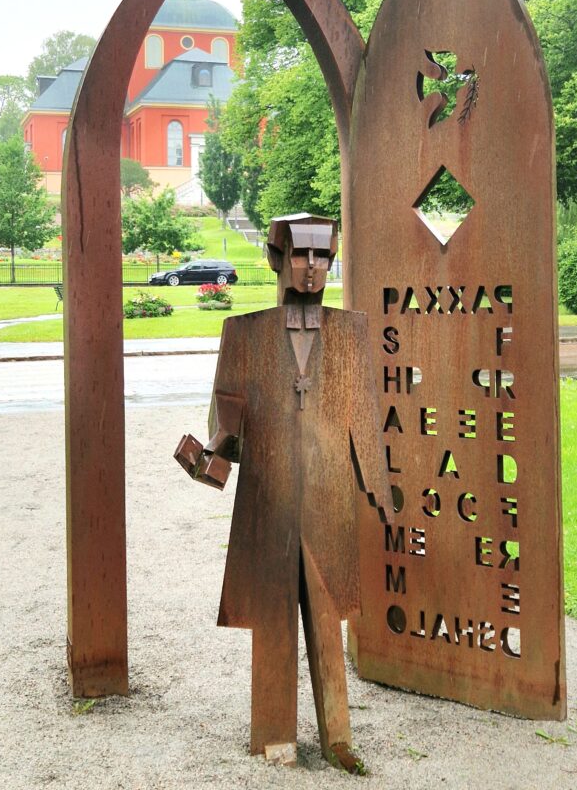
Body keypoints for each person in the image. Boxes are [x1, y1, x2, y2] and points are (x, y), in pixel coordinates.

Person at [175, 213, 390, 771]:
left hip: (328, 497)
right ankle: (275, 735)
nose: (312, 267)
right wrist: (211, 455)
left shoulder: (350, 332)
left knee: (327, 613)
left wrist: (380, 490)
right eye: (300, 254)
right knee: (272, 612)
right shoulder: (244, 334)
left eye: (322, 255)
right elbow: (227, 423)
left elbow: (365, 415)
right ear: (275, 258)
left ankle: (337, 735)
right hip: (267, 498)